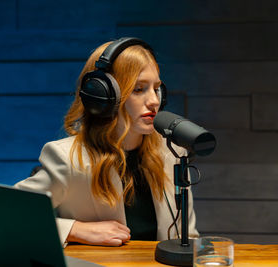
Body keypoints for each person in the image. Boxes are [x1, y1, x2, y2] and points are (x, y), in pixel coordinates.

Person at [15, 37, 199, 247]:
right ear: (102, 96)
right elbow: (5, 214)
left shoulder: (172, 154)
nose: (154, 101)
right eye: (139, 89)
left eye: (156, 88)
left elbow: (189, 238)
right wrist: (74, 229)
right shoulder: (67, 159)